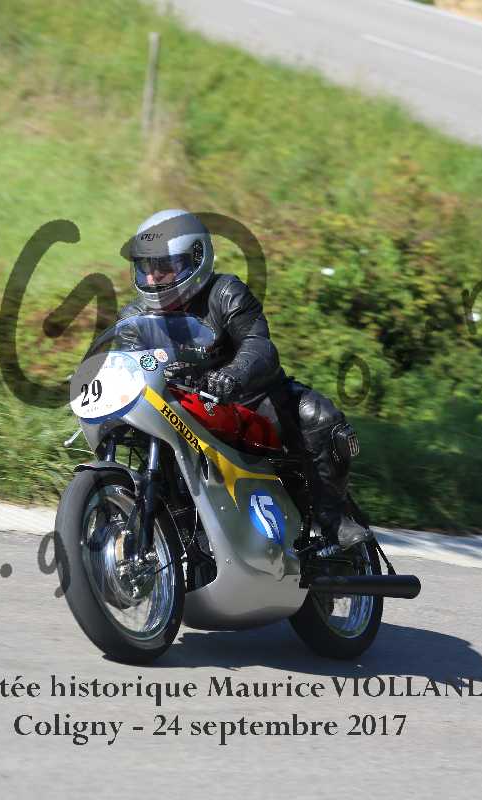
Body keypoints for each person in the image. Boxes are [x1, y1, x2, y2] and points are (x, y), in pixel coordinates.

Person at [119, 209, 371, 551]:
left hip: (248, 401)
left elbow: (259, 344)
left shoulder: (225, 292)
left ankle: (332, 518)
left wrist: (232, 375)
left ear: (197, 258)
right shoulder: (134, 317)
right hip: (179, 407)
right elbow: (126, 363)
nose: (153, 277)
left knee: (320, 417)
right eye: (146, 266)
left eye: (164, 266)